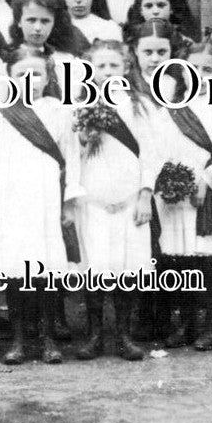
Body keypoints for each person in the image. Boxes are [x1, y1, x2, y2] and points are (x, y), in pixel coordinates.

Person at [0, 51, 82, 363]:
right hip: (13, 202)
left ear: (49, 78)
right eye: (22, 74)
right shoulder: (0, 115)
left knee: (47, 272)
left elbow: (72, 159)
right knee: (15, 272)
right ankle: (19, 339)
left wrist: (68, 204)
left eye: (36, 74)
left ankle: (49, 338)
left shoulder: (60, 112)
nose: (30, 81)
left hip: (46, 200)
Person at [73, 40, 159, 362]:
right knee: (95, 270)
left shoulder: (140, 106)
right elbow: (73, 155)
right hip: (92, 202)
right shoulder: (80, 105)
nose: (107, 72)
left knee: (127, 271)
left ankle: (124, 335)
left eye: (114, 66)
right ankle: (95, 335)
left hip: (129, 201)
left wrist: (145, 196)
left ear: (125, 68)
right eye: (99, 66)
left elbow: (151, 155)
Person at [150, 33, 212, 351]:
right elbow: (156, 150)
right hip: (175, 197)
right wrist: (168, 180)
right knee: (179, 261)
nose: (200, 76)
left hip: (210, 193)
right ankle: (185, 323)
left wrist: (209, 178)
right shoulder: (168, 110)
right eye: (193, 69)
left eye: (208, 70)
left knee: (207, 262)